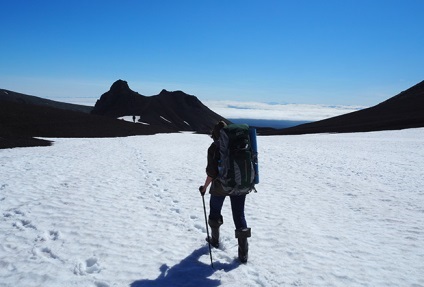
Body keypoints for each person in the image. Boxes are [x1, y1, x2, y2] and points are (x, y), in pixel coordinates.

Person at [200, 121, 251, 263]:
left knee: (215, 211)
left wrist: (204, 187)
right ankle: (243, 254)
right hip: (240, 185)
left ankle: (214, 240)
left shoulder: (214, 147)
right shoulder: (242, 144)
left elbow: (211, 172)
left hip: (220, 186)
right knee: (239, 215)